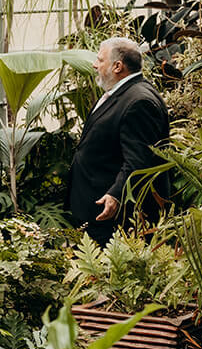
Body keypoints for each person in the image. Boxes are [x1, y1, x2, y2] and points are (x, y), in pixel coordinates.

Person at [69, 36, 169, 246]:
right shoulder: (121, 93)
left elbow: (139, 160)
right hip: (96, 206)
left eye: (100, 60)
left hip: (113, 216)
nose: (94, 65)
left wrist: (116, 195)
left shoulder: (139, 101)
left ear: (117, 66)